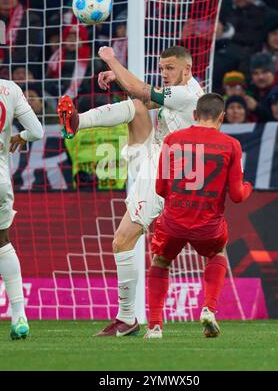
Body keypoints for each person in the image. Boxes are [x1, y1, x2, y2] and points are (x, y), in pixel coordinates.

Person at [57, 45, 204, 336]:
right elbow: (143, 98)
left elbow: (144, 89)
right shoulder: (178, 91)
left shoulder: (188, 94)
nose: (164, 73)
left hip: (168, 173)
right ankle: (77, 122)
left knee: (122, 241)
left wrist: (113, 60)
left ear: (187, 69)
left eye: (170, 68)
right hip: (155, 155)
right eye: (162, 68)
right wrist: (119, 77)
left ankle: (127, 319)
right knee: (136, 106)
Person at [144, 93, 252, 339]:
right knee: (218, 253)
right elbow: (236, 196)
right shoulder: (231, 145)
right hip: (208, 225)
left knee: (160, 262)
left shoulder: (172, 139)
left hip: (173, 222)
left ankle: (155, 326)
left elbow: (160, 188)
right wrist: (248, 187)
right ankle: (208, 309)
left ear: (194, 115)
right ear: (222, 117)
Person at [0, 78, 43, 339]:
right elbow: (37, 132)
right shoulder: (11, 88)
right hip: (1, 181)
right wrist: (21, 136)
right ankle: (19, 316)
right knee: (3, 242)